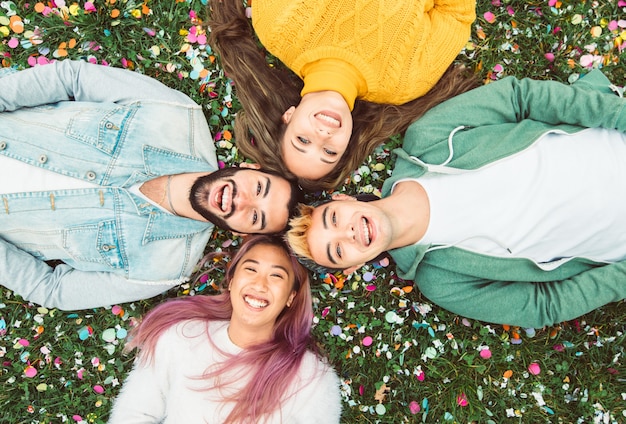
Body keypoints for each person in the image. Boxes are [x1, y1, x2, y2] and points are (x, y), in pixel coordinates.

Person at [287, 69, 626, 328]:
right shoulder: (442, 282)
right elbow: (542, 305)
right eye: (338, 250)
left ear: (345, 201)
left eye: (333, 220)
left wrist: (618, 117)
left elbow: (519, 98)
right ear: (354, 265)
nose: (347, 232)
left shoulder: (428, 138)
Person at [0, 60, 302, 310]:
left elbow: (54, 290)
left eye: (254, 216)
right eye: (259, 188)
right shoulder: (177, 114)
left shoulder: (163, 269)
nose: (243, 200)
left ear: (241, 231)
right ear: (251, 168)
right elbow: (73, 79)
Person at [208, 0, 478, 190]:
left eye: (302, 140)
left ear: (289, 116)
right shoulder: (405, 84)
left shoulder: (277, 29)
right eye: (329, 151)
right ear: (347, 141)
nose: (322, 136)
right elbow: (455, 14)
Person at [108, 234, 342, 424]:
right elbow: (133, 415)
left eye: (276, 276)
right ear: (231, 281)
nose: (259, 284)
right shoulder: (181, 338)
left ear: (291, 296)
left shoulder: (312, 377)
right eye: (251, 269)